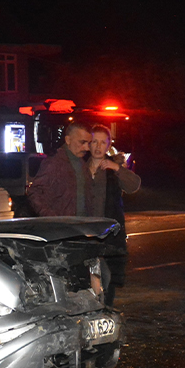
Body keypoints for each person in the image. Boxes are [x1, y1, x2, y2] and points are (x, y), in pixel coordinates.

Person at [88, 125, 141, 306]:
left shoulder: (113, 169)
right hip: (85, 232)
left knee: (107, 276)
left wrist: (117, 167)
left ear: (109, 145)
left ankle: (106, 308)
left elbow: (134, 185)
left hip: (109, 233)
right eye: (94, 141)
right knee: (89, 276)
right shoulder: (81, 168)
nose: (98, 146)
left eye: (102, 142)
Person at [28, 122, 93, 217]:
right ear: (68, 140)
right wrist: (53, 218)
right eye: (82, 142)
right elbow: (35, 192)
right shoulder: (54, 162)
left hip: (79, 222)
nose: (87, 148)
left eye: (89, 143)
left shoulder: (82, 163)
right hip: (63, 224)